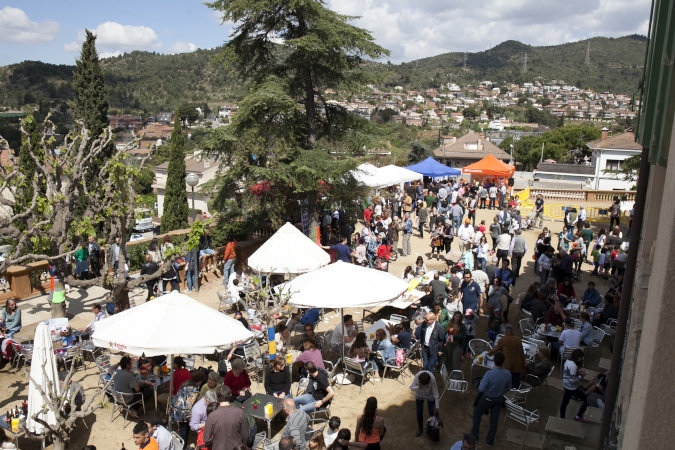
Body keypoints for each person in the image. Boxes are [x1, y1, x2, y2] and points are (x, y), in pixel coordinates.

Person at [471, 351, 511, 447]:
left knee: (477, 414)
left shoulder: (489, 373)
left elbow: (481, 389)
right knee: (494, 419)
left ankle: (475, 436)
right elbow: (509, 388)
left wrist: (481, 382)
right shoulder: (508, 373)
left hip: (488, 397)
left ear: (494, 361)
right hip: (499, 398)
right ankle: (489, 441)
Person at [203, 385, 249, 450]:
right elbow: (245, 436)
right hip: (236, 447)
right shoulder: (240, 413)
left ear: (217, 397)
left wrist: (217, 442)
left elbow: (206, 439)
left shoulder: (212, 416)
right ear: (230, 395)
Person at [560, 349, 589, 422]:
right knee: (587, 400)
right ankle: (578, 416)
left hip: (566, 385)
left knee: (564, 403)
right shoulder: (573, 366)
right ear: (577, 357)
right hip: (571, 388)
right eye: (581, 357)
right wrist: (581, 375)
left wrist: (579, 373)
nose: (581, 359)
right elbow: (572, 380)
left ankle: (562, 419)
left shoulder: (567, 361)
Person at [410, 370, 440, 437]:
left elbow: (435, 392)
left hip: (430, 395)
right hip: (419, 395)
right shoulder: (417, 376)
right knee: (419, 411)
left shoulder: (432, 379)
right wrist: (418, 387)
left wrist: (437, 405)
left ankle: (430, 428)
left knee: (432, 412)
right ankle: (420, 427)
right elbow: (411, 388)